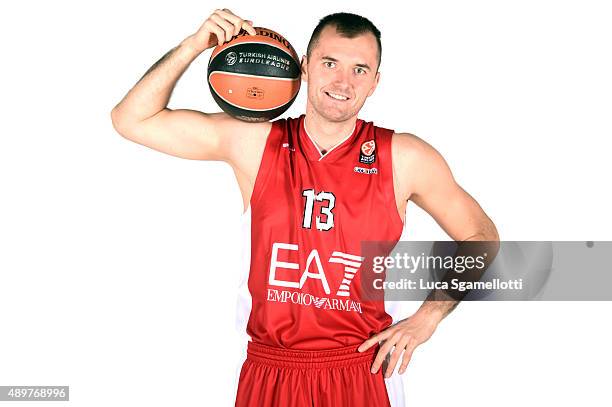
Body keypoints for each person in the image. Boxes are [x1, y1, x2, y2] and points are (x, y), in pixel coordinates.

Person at [111, 8, 499, 407]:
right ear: (305, 66)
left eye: (360, 69)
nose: (343, 82)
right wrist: (193, 46)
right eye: (330, 63)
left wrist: (427, 318)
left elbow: (481, 236)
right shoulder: (255, 143)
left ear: (375, 82)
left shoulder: (404, 157)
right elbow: (131, 120)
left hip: (360, 368)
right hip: (270, 369)